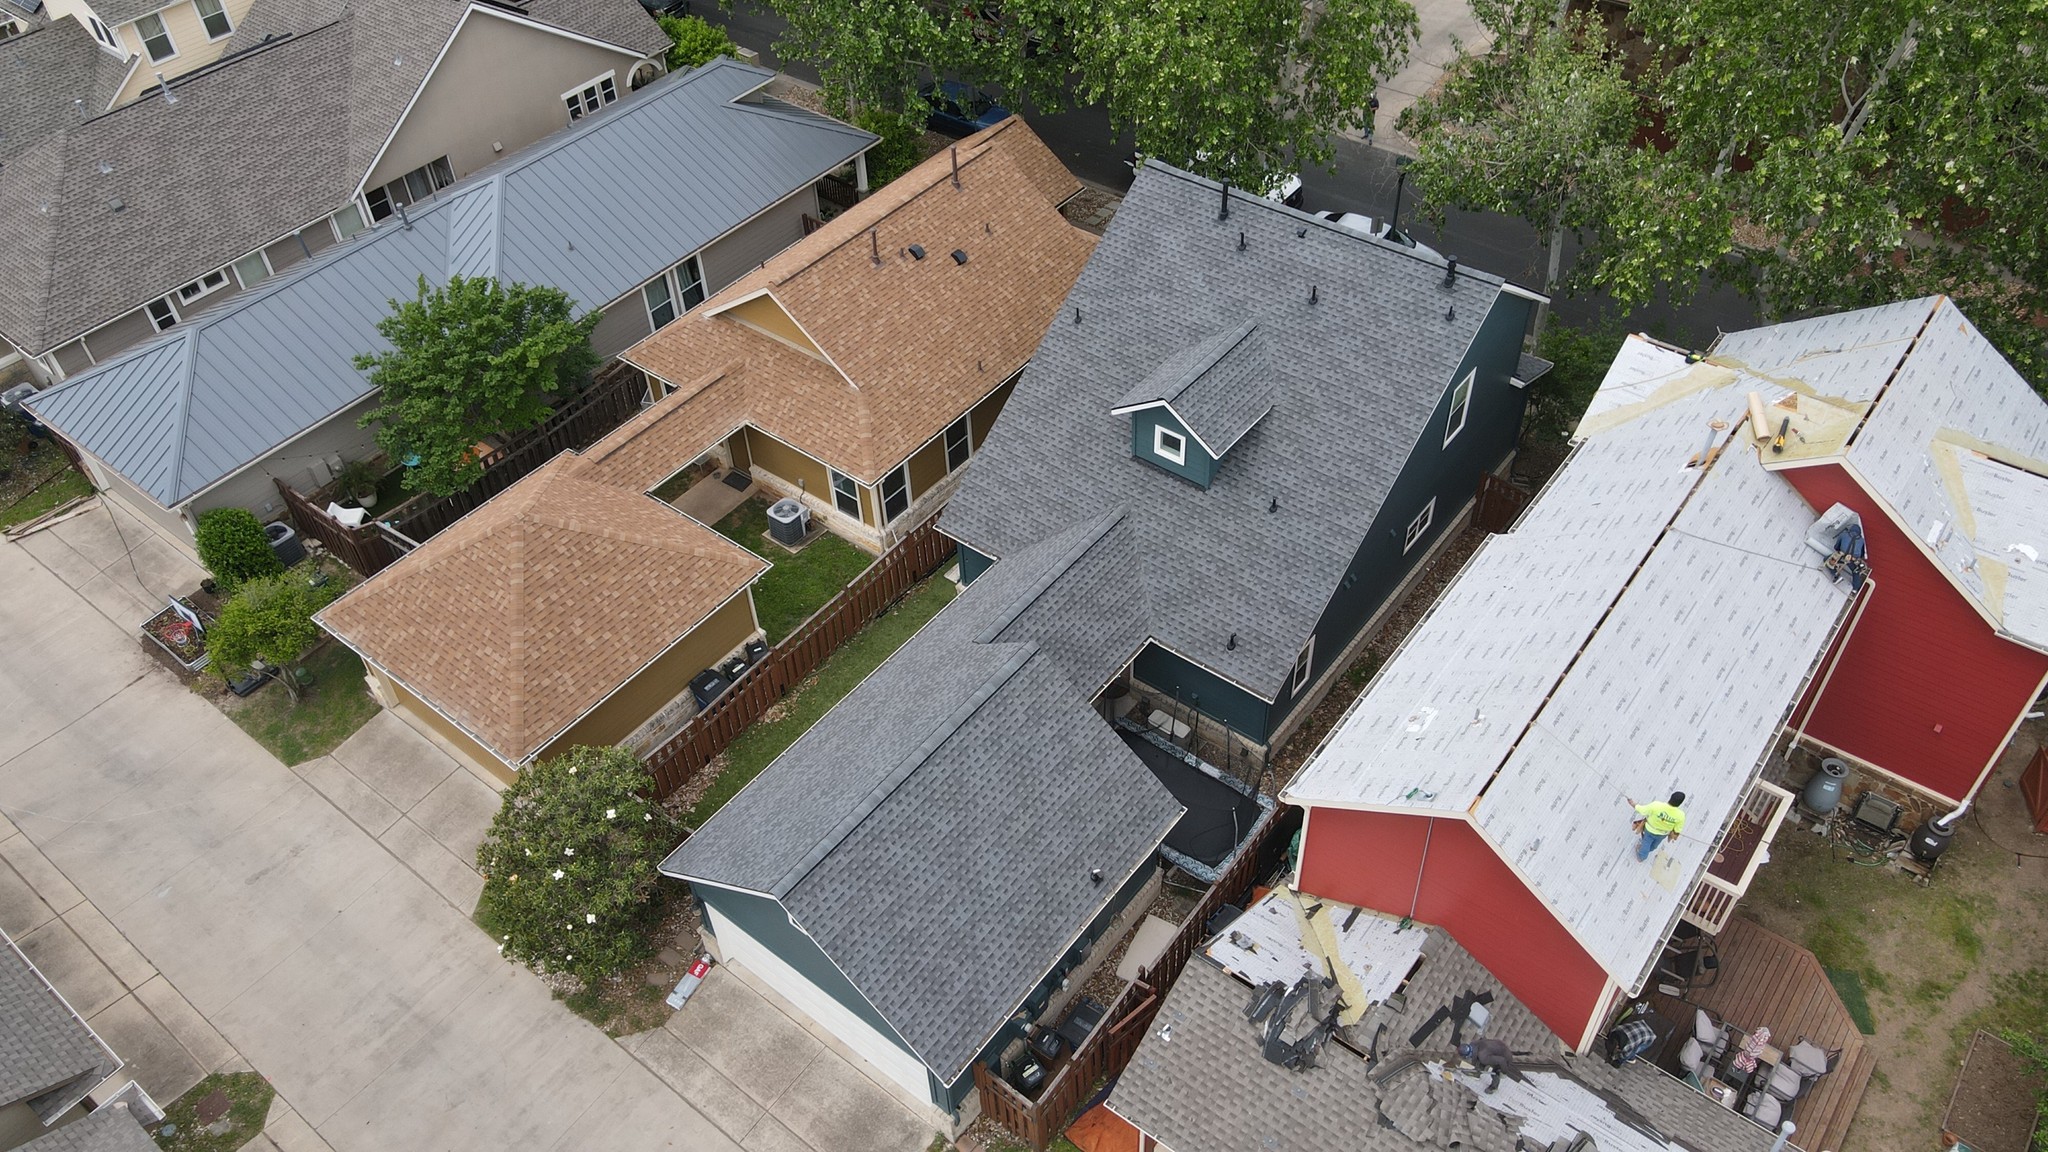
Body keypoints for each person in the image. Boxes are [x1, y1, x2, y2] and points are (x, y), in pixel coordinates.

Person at [1627, 791, 1687, 861]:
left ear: (1670, 798)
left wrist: (1632, 803)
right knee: (1654, 846)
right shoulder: (1681, 815)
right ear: (1680, 803)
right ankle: (1646, 850)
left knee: (1646, 842)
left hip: (1649, 830)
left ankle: (1641, 857)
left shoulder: (1657, 805)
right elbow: (1677, 830)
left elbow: (1642, 810)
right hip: (1662, 834)